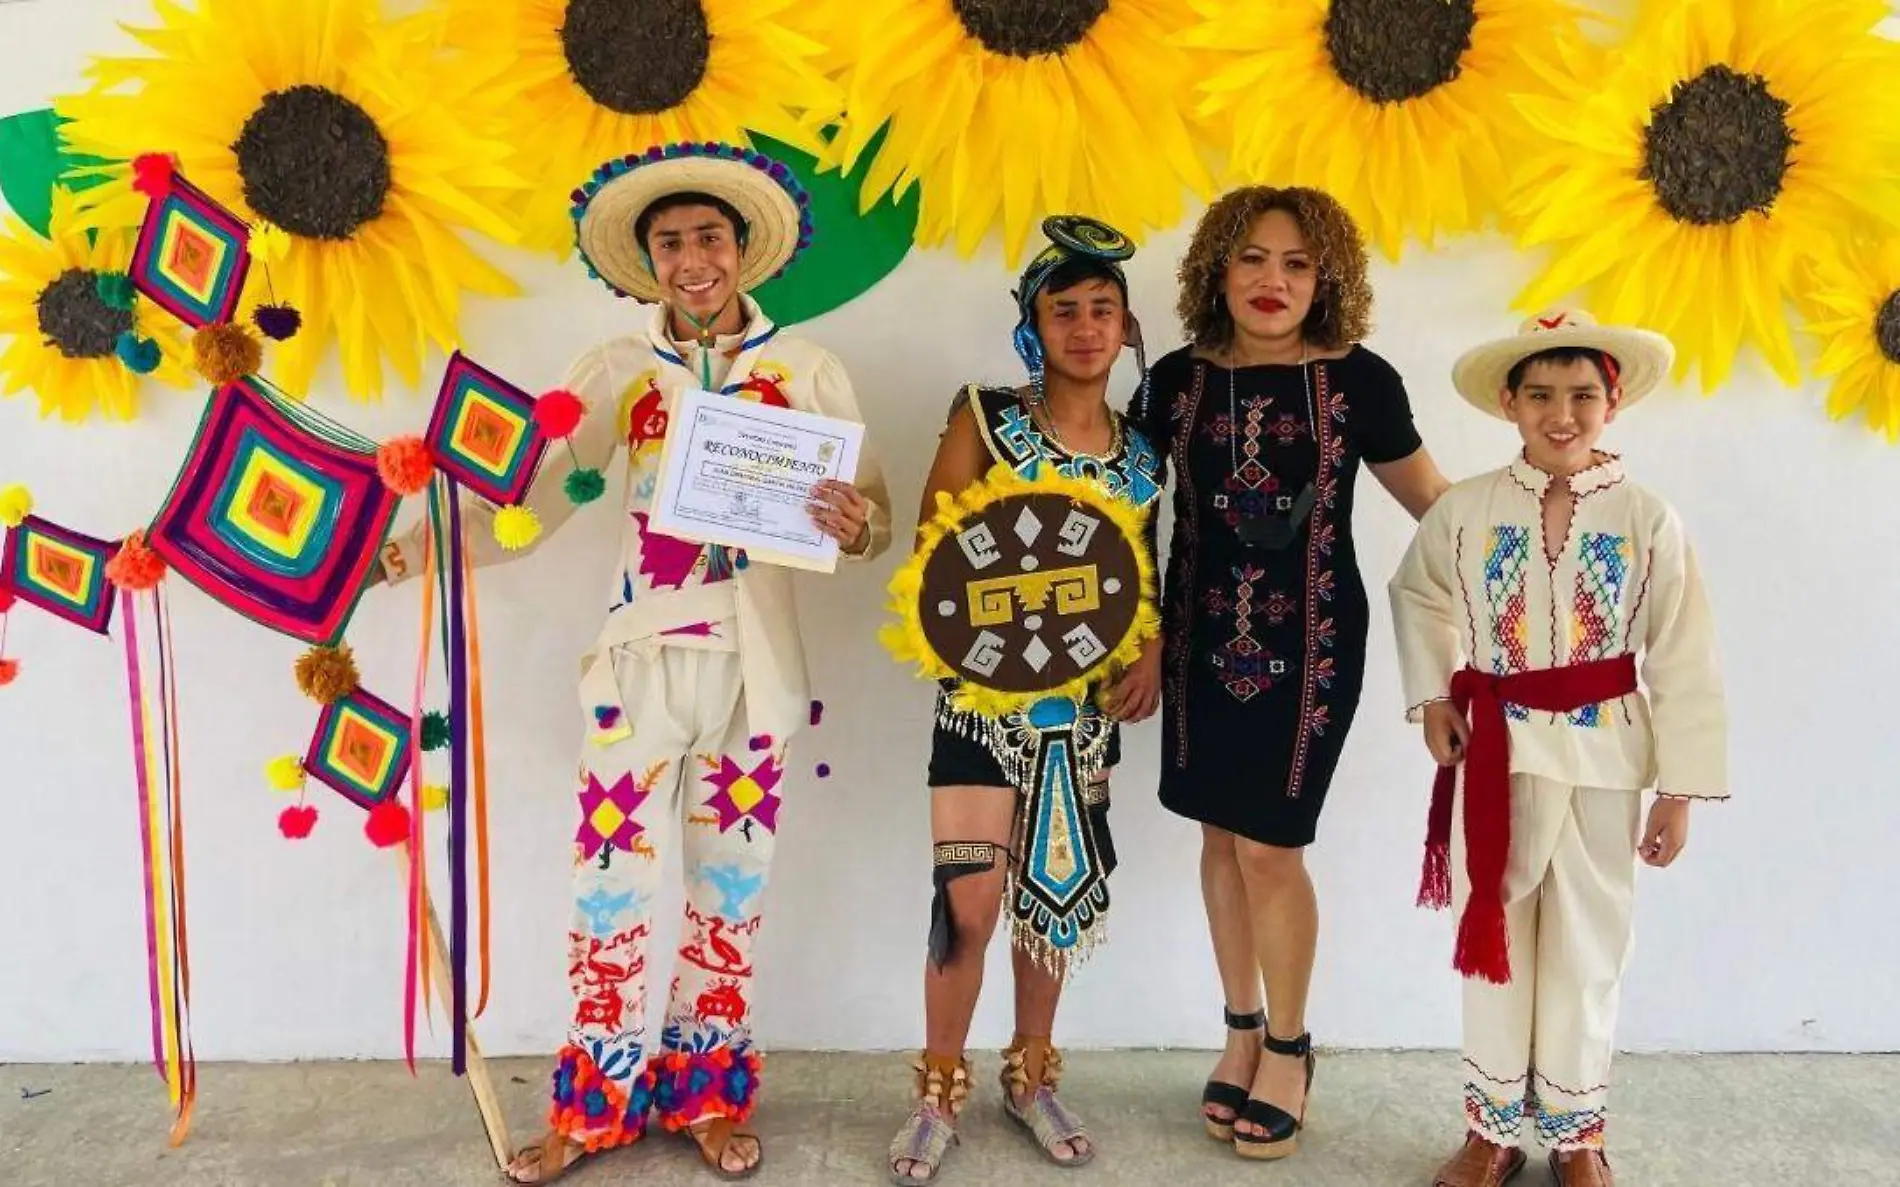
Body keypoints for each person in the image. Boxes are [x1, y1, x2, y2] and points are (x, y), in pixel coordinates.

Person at [375, 141, 892, 1183]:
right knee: (608, 882)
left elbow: (870, 520)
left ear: (744, 249)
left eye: (709, 236)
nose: (693, 257)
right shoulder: (615, 371)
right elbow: (532, 499)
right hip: (636, 660)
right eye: (670, 242)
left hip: (759, 671)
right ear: (645, 260)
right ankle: (593, 1104)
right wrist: (416, 544)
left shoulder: (809, 372)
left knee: (731, 886)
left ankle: (705, 1092)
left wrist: (859, 521)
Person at [1129, 186, 1449, 1160]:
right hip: (1190, 641)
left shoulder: (1360, 381)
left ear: (1328, 278)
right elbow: (1134, 517)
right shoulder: (1173, 381)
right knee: (1220, 839)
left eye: (1297, 263)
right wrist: (1137, 632)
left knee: (1271, 845)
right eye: (1253, 258)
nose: (1273, 280)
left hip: (1308, 643)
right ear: (1215, 269)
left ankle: (1290, 1043)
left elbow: (1436, 508)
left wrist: (1520, 562)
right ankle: (1236, 1027)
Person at [1388, 310, 1728, 1187]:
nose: (1562, 412)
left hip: (1605, 759)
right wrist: (1434, 696)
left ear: (1612, 402)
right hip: (1495, 754)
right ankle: (1491, 1126)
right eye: (1540, 394)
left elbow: (1684, 651)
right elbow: (1417, 591)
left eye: (1582, 394)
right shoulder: (1468, 507)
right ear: (1510, 402)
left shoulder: (1648, 519)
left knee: (1587, 944)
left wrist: (1679, 789)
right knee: (1492, 937)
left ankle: (1578, 1131)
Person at [886, 216, 1165, 1185]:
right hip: (980, 703)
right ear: (1031, 326)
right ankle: (935, 1089)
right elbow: (936, 554)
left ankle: (1032, 1072)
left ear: (1127, 328)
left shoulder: (1142, 456)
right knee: (964, 901)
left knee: (1050, 900)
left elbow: (1143, 573)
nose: (1084, 327)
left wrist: (1154, 646)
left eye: (1102, 309)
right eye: (1063, 309)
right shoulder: (986, 417)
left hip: (1080, 718)